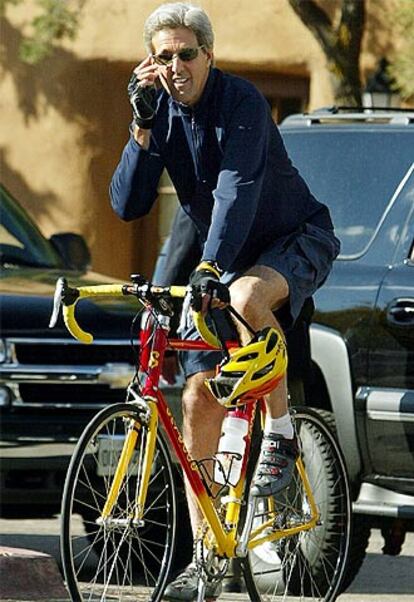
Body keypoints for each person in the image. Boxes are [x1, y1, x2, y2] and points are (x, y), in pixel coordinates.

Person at [110, 3, 340, 599]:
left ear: (209, 55)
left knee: (243, 294)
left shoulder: (241, 101)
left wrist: (210, 266)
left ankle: (283, 436)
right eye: (164, 57)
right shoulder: (158, 111)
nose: (177, 65)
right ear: (151, 66)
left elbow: (236, 191)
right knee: (195, 399)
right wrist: (139, 129)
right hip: (226, 263)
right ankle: (208, 557)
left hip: (294, 242)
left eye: (188, 53)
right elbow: (128, 205)